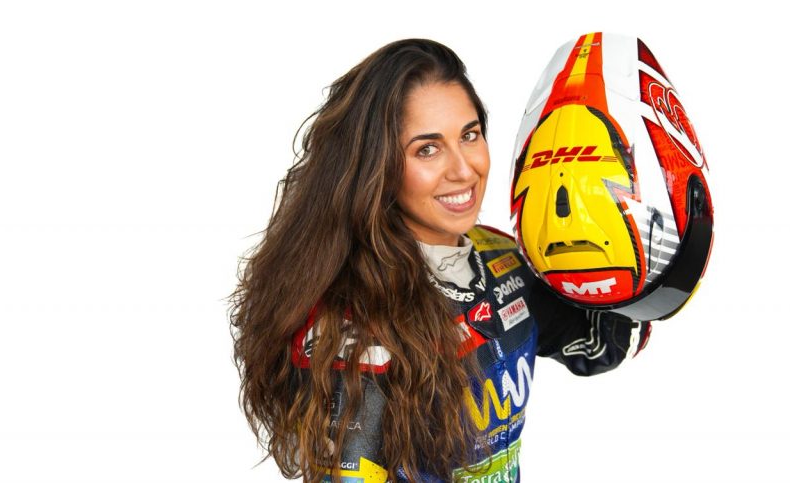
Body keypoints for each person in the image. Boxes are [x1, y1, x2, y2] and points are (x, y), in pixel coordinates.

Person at [229, 38, 653, 483]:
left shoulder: (503, 259)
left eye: (469, 135)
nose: (464, 170)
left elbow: (602, 345)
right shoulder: (354, 325)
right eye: (427, 149)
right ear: (377, 166)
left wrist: (646, 234)